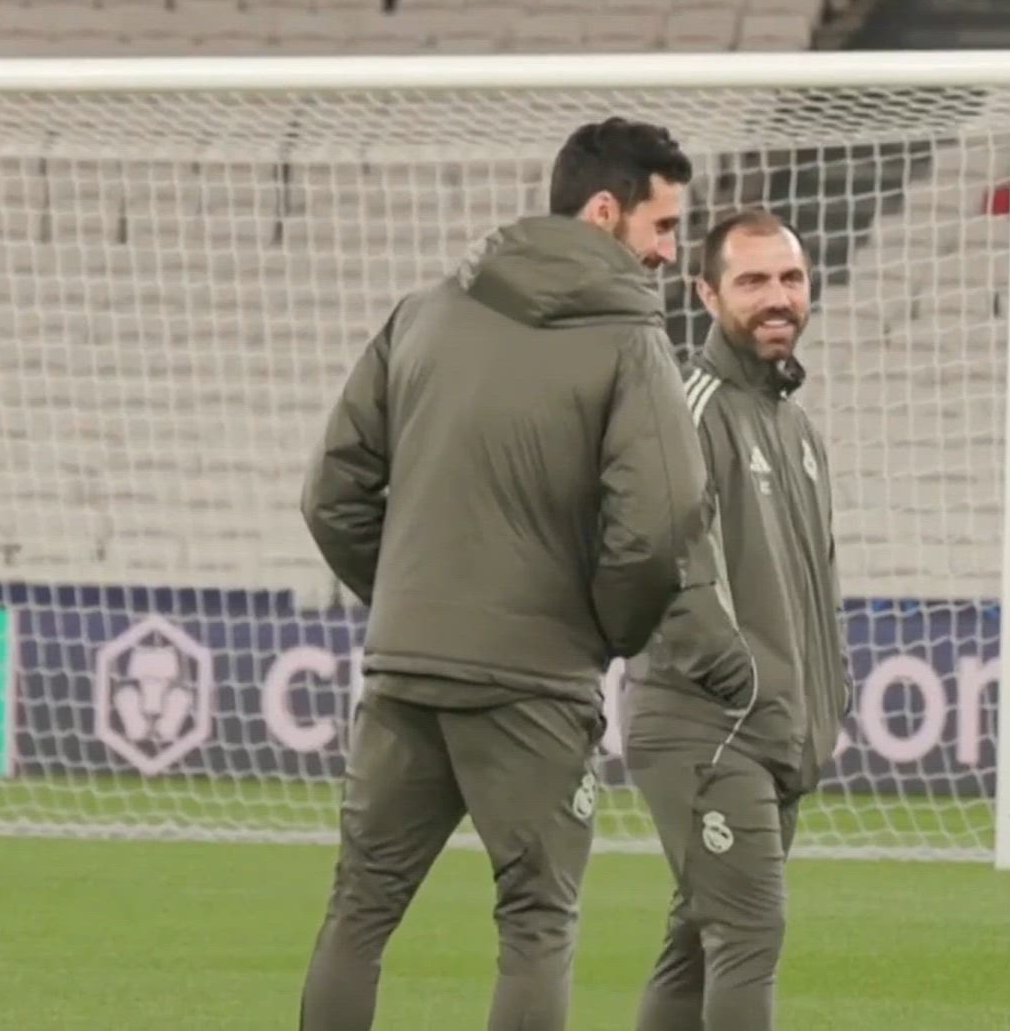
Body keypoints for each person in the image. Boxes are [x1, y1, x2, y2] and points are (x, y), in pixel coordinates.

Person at [297, 117, 707, 1031]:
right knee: (536, 923)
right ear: (605, 213)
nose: (670, 254)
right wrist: (603, 631)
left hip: (406, 667)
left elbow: (331, 494)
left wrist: (411, 598)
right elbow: (662, 520)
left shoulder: (423, 312)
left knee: (359, 912)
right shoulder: (629, 341)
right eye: (663, 226)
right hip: (534, 683)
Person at [624, 209, 849, 1030]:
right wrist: (746, 686)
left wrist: (826, 698)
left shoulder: (799, 429)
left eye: (790, 278)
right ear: (707, 294)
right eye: (752, 281)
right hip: (708, 725)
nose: (777, 297)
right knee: (748, 934)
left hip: (773, 728)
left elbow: (813, 584)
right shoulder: (686, 409)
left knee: (697, 946)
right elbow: (659, 564)